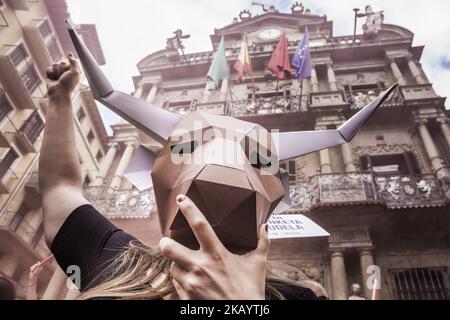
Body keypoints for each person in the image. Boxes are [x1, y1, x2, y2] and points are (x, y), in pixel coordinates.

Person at [39, 54, 317, 300]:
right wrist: (59, 98)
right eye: (191, 148)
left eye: (257, 159)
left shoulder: (298, 297)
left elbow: (59, 189)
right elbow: (59, 188)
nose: (223, 163)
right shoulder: (118, 261)